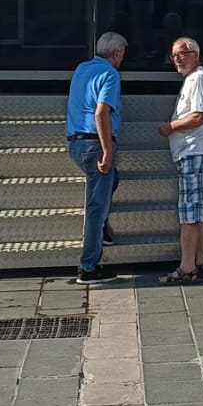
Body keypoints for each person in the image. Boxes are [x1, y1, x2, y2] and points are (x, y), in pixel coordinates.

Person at [67, 32, 126, 284]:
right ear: (115, 53)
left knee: (112, 181)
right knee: (96, 208)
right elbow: (101, 114)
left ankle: (101, 231)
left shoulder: (82, 68)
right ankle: (88, 267)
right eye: (122, 53)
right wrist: (107, 152)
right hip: (95, 144)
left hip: (76, 144)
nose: (123, 58)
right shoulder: (111, 74)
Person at [159, 37, 203, 284]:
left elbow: (199, 116)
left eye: (182, 53)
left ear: (196, 54)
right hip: (195, 151)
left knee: (189, 214)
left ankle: (186, 267)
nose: (178, 59)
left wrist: (170, 127)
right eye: (174, 55)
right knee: (197, 211)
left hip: (194, 150)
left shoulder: (198, 79)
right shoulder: (196, 79)